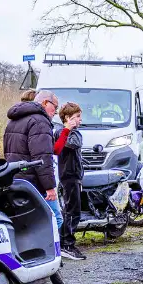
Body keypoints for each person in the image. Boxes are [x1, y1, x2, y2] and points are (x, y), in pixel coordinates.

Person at [4, 90, 61, 229]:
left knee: (25, 223)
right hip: (34, 183)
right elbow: (42, 157)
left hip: (15, 181)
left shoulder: (14, 119)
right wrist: (49, 187)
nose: (56, 112)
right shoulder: (40, 122)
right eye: (55, 107)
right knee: (55, 220)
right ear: (45, 102)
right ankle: (50, 251)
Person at [54, 102, 86, 261]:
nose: (80, 120)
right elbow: (73, 143)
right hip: (69, 175)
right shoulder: (63, 132)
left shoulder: (71, 132)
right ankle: (67, 244)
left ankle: (66, 242)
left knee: (73, 210)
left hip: (74, 175)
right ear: (67, 118)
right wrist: (69, 128)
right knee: (72, 211)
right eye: (77, 117)